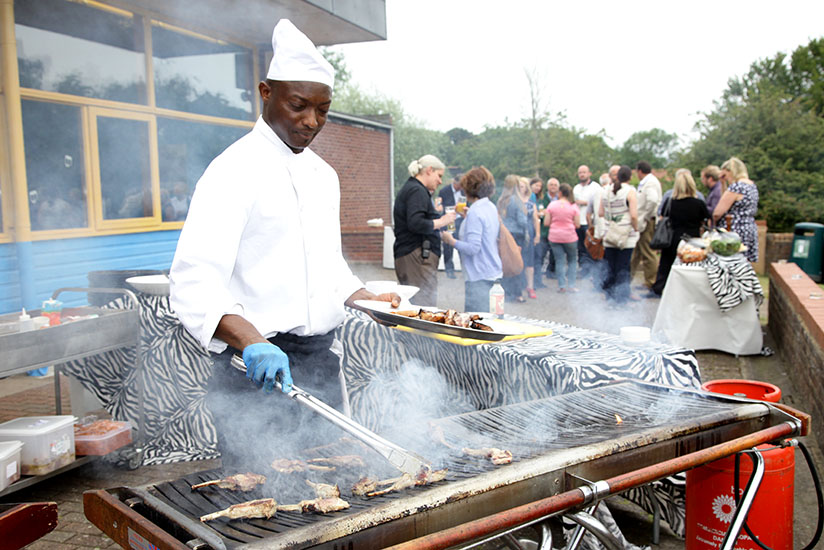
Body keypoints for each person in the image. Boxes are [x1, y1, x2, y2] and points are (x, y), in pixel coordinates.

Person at [169, 19, 399, 471]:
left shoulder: (324, 176)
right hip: (257, 372)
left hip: (319, 368)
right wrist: (252, 341)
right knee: (260, 492)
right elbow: (193, 280)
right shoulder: (232, 171)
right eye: (298, 105)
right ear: (265, 92)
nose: (312, 121)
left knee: (335, 489)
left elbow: (327, 267)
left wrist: (368, 299)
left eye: (323, 110)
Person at [393, 155, 457, 306]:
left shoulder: (414, 189)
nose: (440, 181)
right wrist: (442, 221)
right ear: (429, 170)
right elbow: (416, 223)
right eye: (439, 175)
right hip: (418, 257)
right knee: (423, 307)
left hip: (413, 256)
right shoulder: (417, 190)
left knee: (417, 305)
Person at [440, 167, 502, 311]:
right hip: (493, 273)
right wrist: (468, 217)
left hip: (479, 276)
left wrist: (451, 241)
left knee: (476, 321)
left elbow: (474, 248)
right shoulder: (490, 207)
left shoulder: (476, 211)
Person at [651, 169, 710, 296]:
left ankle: (659, 289)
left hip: (672, 237)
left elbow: (663, 217)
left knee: (665, 265)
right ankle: (687, 292)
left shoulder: (670, 202)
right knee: (690, 268)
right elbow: (705, 221)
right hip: (692, 239)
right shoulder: (699, 203)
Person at [599, 165, 639, 304]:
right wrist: (636, 227)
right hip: (625, 236)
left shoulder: (606, 191)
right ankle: (621, 301)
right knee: (623, 269)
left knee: (610, 268)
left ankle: (609, 298)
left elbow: (600, 213)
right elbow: (633, 215)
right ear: (630, 177)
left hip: (609, 233)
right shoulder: (630, 191)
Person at [713, 157, 759, 262]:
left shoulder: (736, 187)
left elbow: (718, 212)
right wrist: (723, 184)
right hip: (749, 228)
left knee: (731, 263)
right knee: (744, 263)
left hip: (734, 230)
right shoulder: (751, 185)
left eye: (725, 175)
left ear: (731, 171)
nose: (726, 178)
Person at [497, 174, 529, 303]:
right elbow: (522, 221)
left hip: (503, 234)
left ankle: (506, 292)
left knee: (505, 264)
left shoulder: (500, 200)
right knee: (516, 264)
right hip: (516, 235)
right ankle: (517, 294)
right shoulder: (516, 200)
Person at [630, 161, 662, 290]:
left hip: (647, 222)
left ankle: (651, 281)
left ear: (639, 171)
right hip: (644, 221)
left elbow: (652, 200)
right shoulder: (647, 182)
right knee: (637, 251)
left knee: (648, 252)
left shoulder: (650, 183)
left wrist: (646, 216)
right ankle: (627, 278)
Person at [544, 183, 580, 292]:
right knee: (572, 260)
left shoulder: (552, 205)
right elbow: (577, 224)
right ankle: (572, 285)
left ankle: (562, 286)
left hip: (555, 236)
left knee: (559, 261)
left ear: (559, 193)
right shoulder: (573, 206)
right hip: (569, 236)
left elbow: (546, 222)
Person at [572, 165, 599, 276]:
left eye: (584, 172)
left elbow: (598, 202)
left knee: (590, 247)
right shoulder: (576, 188)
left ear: (589, 173)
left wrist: (585, 202)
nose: (582, 174)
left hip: (589, 222)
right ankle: (583, 270)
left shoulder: (596, 187)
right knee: (580, 248)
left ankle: (592, 271)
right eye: (580, 173)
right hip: (578, 222)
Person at [438, 175, 465, 279]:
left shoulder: (464, 192)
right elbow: (440, 206)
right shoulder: (444, 191)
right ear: (455, 182)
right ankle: (449, 270)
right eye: (460, 185)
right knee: (448, 247)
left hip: (460, 221)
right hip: (449, 220)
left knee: (461, 246)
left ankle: (465, 270)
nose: (462, 187)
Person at [520, 177, 540, 299]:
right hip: (517, 234)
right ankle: (517, 286)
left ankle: (530, 286)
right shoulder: (512, 202)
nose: (520, 189)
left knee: (529, 262)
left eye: (522, 186)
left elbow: (535, 219)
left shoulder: (531, 204)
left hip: (529, 233)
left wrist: (537, 235)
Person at [530, 177, 549, 289]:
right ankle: (534, 282)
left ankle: (537, 281)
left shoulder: (540, 198)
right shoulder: (530, 196)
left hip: (538, 229)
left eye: (540, 186)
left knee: (538, 257)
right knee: (535, 257)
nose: (538, 188)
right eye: (536, 185)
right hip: (532, 230)